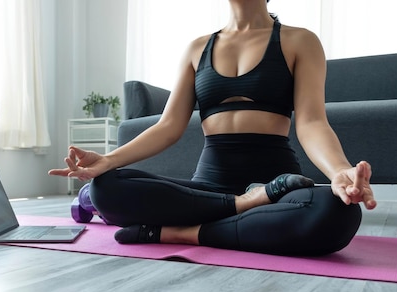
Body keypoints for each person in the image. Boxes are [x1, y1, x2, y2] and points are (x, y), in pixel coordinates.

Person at [49, 0, 377, 256]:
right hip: (207, 189)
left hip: (277, 188)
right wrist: (108, 160)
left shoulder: (299, 41)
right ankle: (241, 209)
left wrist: (338, 171)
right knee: (106, 188)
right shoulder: (197, 48)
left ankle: (179, 232)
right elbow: (168, 126)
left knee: (339, 214)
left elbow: (311, 122)